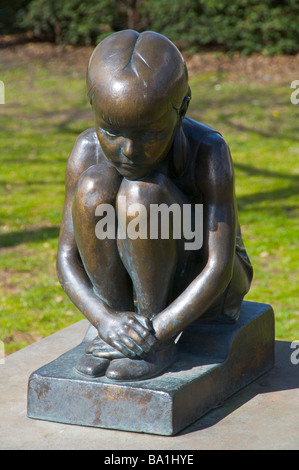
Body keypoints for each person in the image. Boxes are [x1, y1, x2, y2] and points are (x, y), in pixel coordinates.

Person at [56, 30, 253, 381]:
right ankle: (119, 328)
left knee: (142, 195)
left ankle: (146, 340)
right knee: (92, 189)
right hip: (124, 299)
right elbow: (66, 257)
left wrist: (155, 334)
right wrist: (104, 320)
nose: (128, 151)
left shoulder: (209, 151)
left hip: (207, 279)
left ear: (182, 109)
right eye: (112, 132)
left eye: (148, 134)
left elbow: (219, 266)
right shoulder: (87, 150)